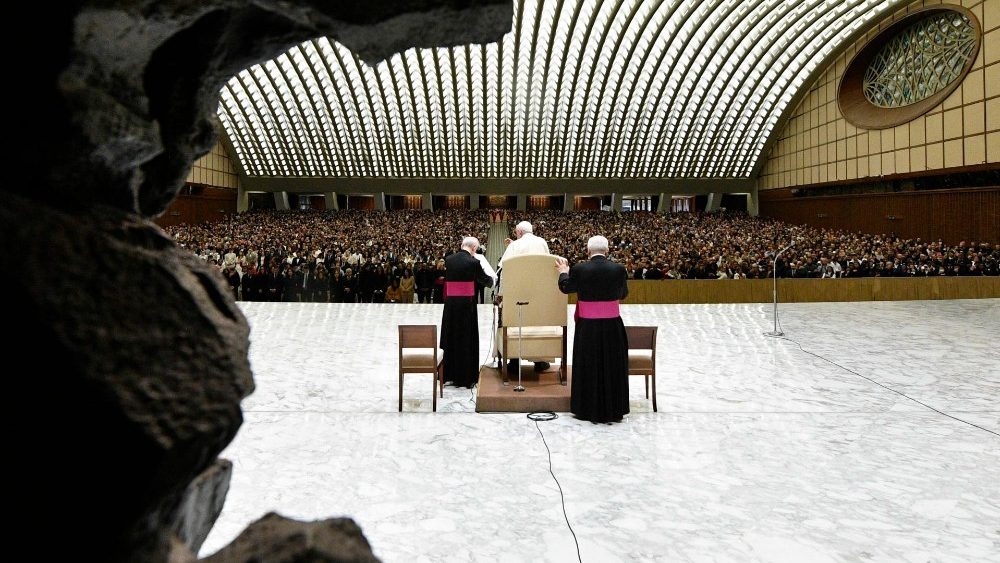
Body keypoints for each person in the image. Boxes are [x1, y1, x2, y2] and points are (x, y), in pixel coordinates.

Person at [556, 235, 629, 423]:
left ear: (588, 251)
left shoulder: (580, 269)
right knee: (611, 364)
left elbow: (566, 288)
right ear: (607, 250)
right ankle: (614, 408)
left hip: (588, 326)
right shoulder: (619, 269)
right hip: (612, 325)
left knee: (588, 364)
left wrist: (564, 271)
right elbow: (623, 294)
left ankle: (586, 408)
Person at [441, 237, 496, 388]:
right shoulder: (474, 262)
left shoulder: (449, 259)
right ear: (473, 248)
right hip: (467, 306)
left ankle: (449, 374)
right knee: (466, 338)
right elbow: (485, 280)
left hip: (451, 305)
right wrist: (493, 280)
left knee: (451, 336)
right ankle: (465, 377)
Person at [497, 220, 551, 376]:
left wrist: (501, 294)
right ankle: (540, 361)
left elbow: (504, 270)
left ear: (519, 232)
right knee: (536, 325)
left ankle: (514, 361)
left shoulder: (514, 246)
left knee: (516, 325)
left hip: (518, 292)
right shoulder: (542, 242)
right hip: (538, 292)